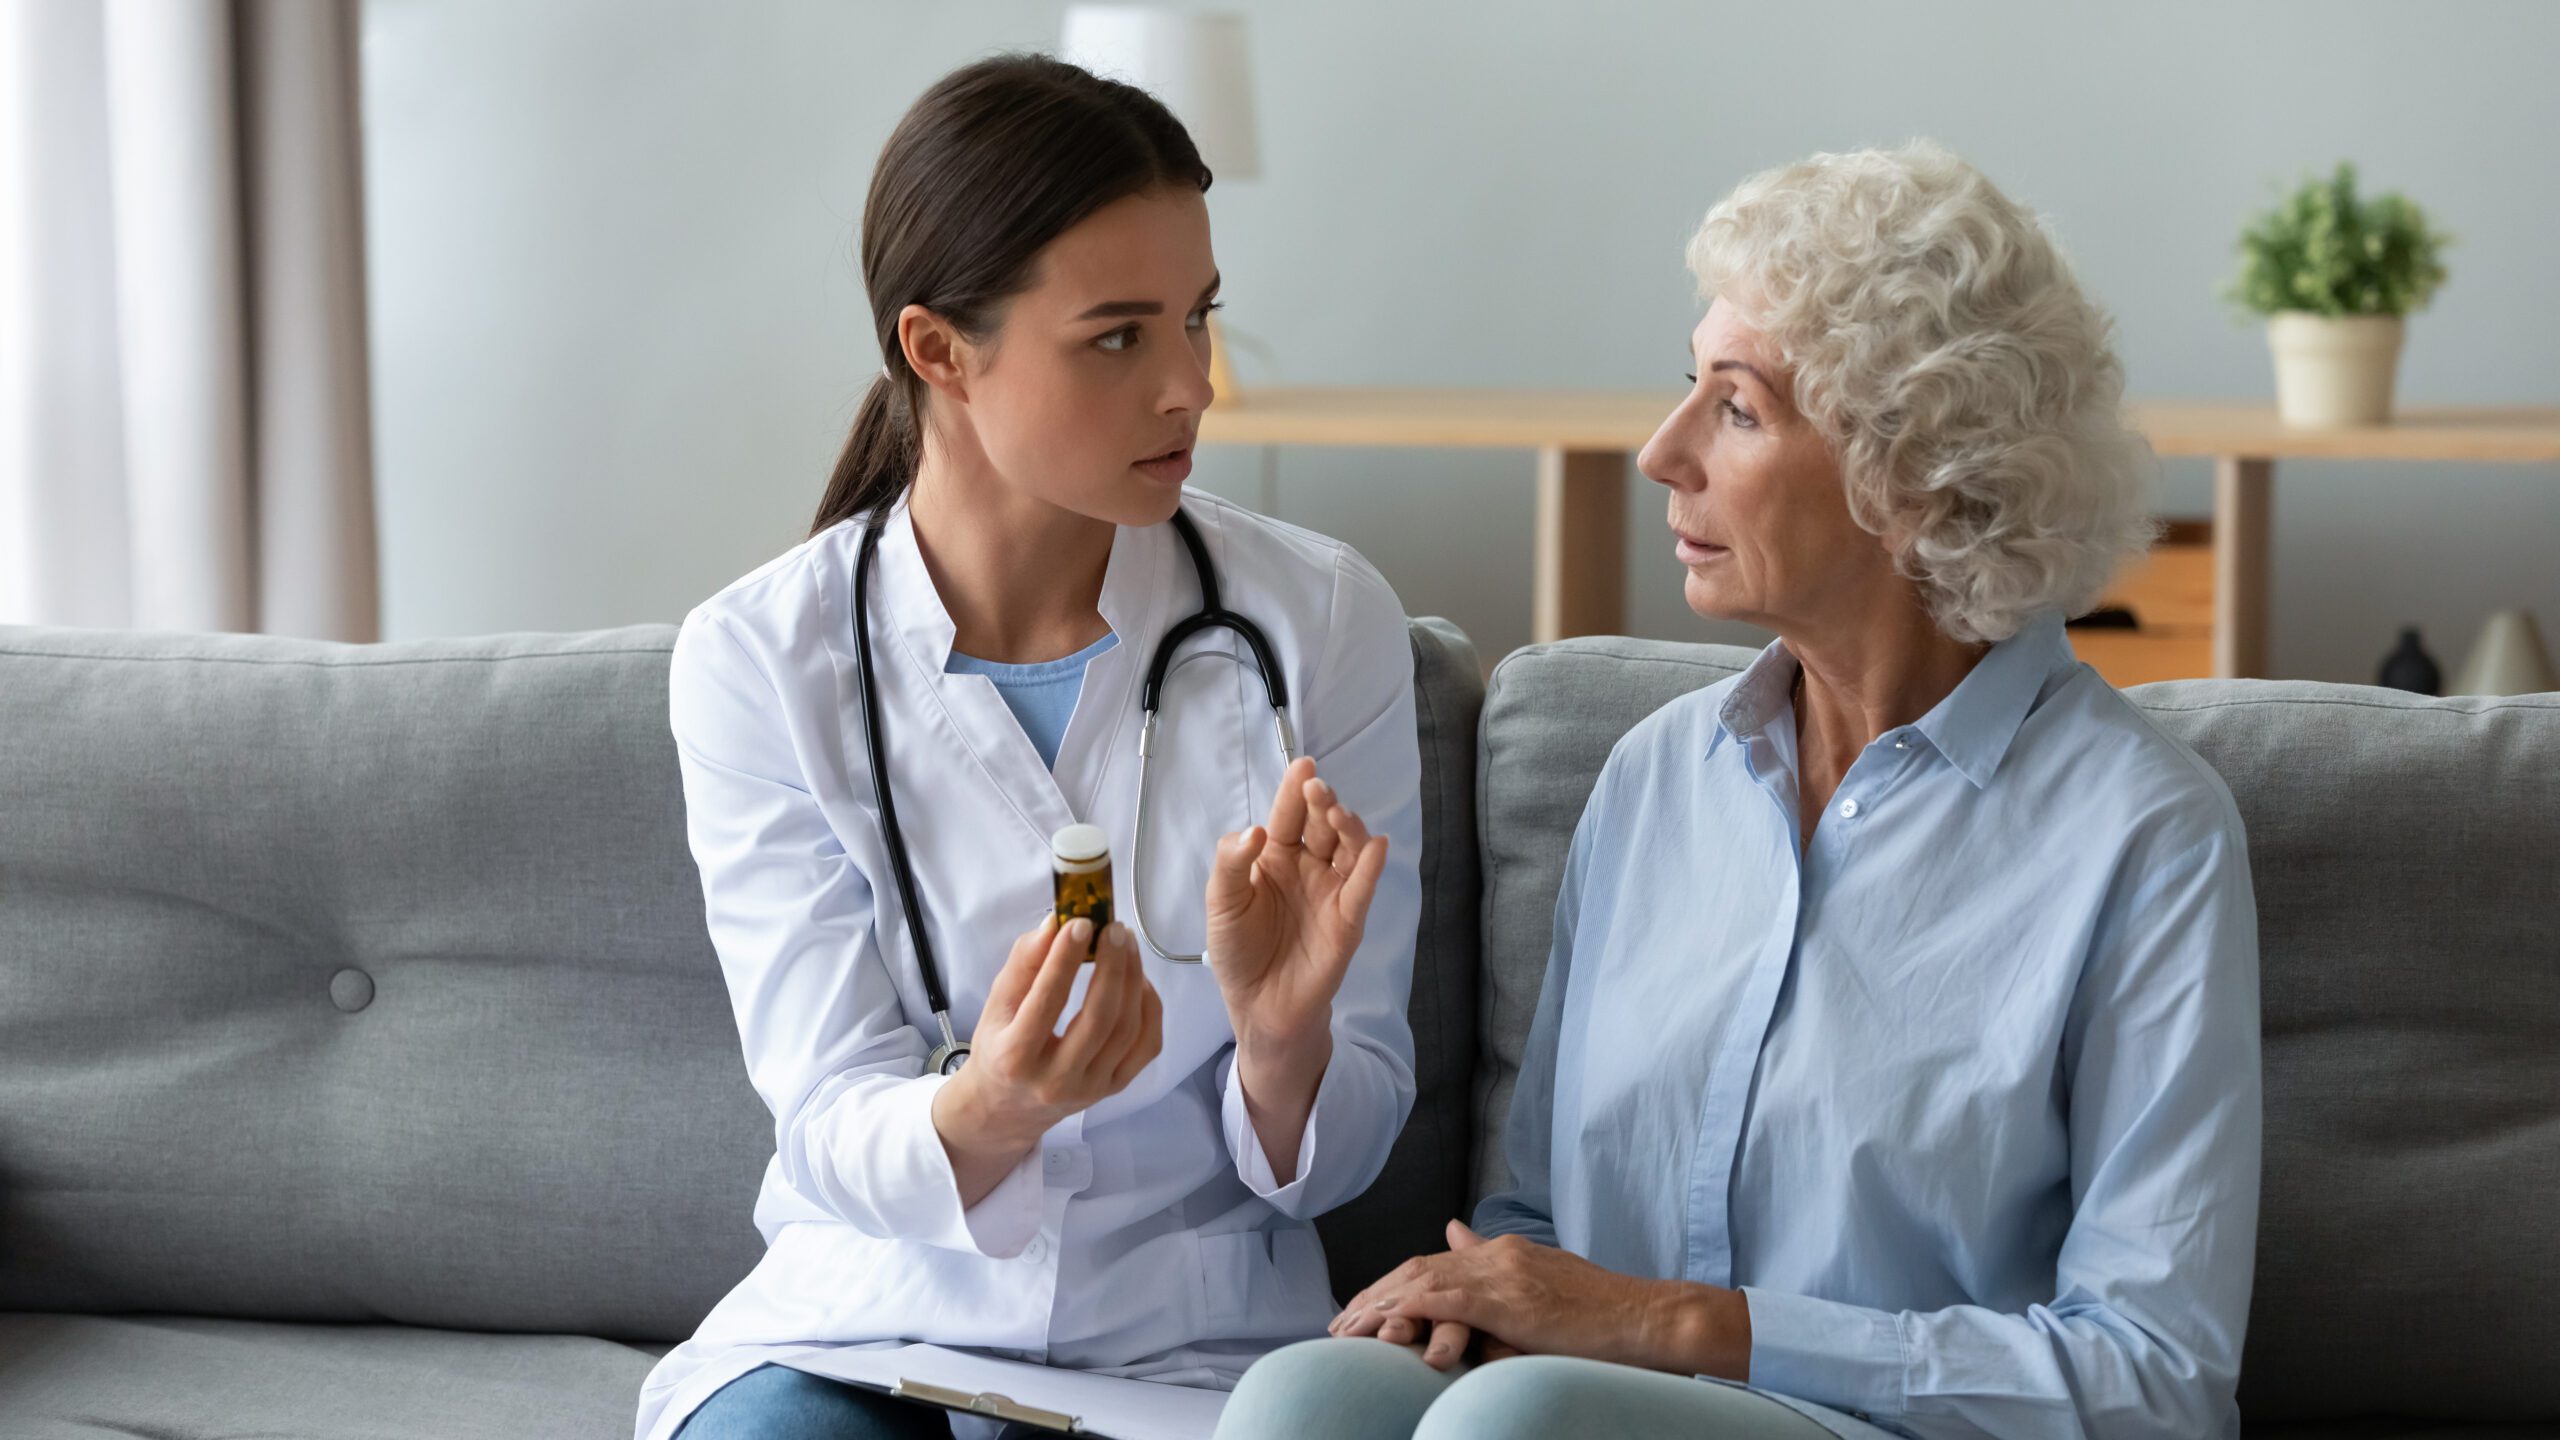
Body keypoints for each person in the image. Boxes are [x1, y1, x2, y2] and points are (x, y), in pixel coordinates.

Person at [1217, 139, 2262, 1440]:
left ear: (1916, 471)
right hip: (1586, 1404)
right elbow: (1532, 1221)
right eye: (1686, 388)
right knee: (1299, 1399)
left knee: (1520, 1426)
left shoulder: (2141, 835)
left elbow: (2157, 1380)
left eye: (1740, 407)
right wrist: (1474, 1292)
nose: (1662, 452)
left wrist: (1679, 1324)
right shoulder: (1656, 778)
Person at [637, 54, 1424, 1440]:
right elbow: (827, 1120)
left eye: (1199, 318)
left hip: (1192, 1359)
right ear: (939, 349)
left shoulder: (1320, 622)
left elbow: (1338, 1156)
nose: (1194, 386)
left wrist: (1285, 1042)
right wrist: (990, 1108)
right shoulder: (759, 661)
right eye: (1119, 336)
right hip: (865, 1330)